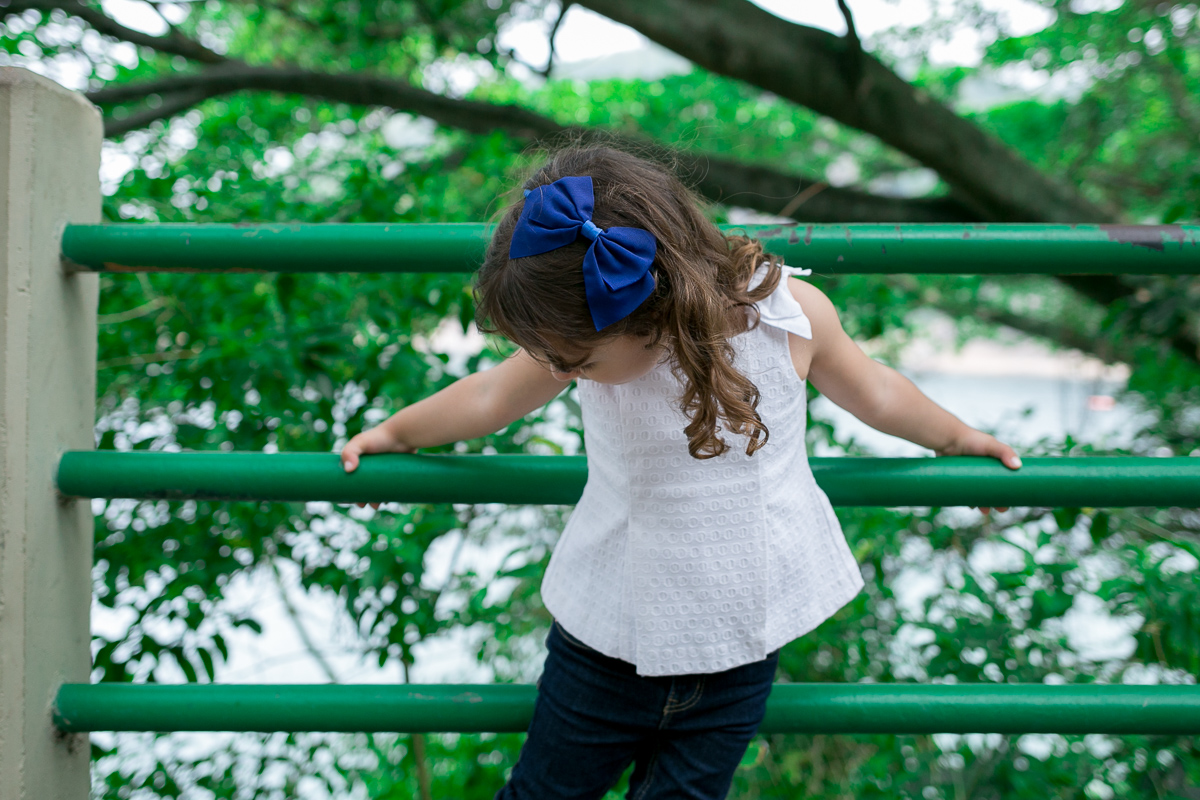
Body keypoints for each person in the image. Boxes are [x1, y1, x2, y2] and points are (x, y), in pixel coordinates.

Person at [340, 145, 1022, 800]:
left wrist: (955, 438)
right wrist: (395, 434)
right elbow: (490, 396)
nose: (561, 371)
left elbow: (876, 391)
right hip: (605, 641)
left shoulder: (787, 319)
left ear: (647, 306)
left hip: (739, 645)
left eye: (577, 362)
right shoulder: (584, 331)